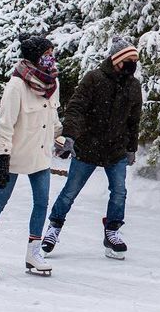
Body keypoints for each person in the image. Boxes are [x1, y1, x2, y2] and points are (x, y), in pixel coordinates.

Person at [41, 36, 143, 260]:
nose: (132, 65)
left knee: (119, 192)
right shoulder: (94, 78)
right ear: (116, 60)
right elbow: (76, 108)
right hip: (88, 146)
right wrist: (70, 136)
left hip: (116, 149)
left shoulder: (133, 86)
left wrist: (131, 147)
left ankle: (112, 231)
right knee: (70, 191)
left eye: (135, 61)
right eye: (128, 61)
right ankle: (54, 228)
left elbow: (133, 119)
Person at [0, 34, 62, 278]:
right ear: (35, 57)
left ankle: (33, 252)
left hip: (40, 156)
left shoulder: (52, 84)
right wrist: (3, 158)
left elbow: (53, 120)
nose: (51, 59)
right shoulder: (16, 86)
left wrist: (62, 139)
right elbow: (5, 125)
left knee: (41, 203)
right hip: (14, 156)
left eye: (52, 54)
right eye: (47, 54)